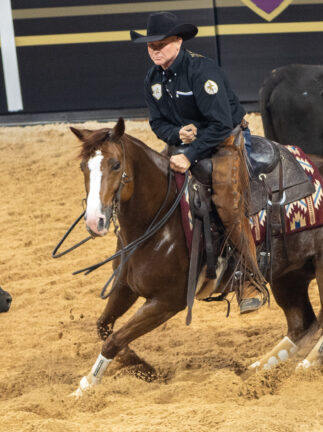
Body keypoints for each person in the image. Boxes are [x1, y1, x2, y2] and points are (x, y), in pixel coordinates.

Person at [131, 12, 265, 314]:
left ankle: (250, 279)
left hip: (224, 144)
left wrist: (189, 154)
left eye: (161, 44)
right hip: (183, 145)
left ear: (178, 42)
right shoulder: (153, 79)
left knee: (228, 203)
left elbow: (220, 124)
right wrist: (176, 132)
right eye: (150, 46)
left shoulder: (202, 71)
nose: (155, 50)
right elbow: (157, 122)